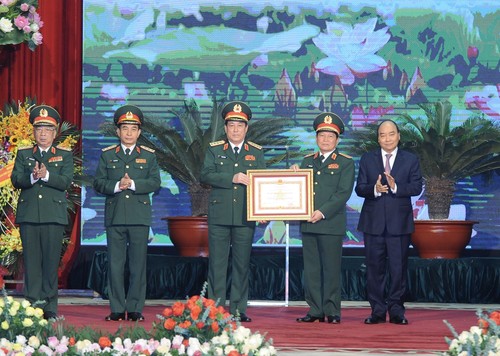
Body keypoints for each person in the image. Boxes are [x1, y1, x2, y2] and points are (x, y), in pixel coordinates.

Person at [93, 105, 161, 322]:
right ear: (118, 132)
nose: (129, 133)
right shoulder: (107, 155)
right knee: (115, 264)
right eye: (125, 128)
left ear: (139, 132)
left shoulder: (149, 156)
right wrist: (115, 185)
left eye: (133, 129)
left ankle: (134, 309)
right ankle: (115, 308)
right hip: (114, 217)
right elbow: (98, 183)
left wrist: (132, 184)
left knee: (138, 265)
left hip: (139, 218)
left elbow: (155, 182)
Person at [200, 101, 266, 322]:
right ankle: (215, 310)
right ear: (225, 128)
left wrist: (263, 209)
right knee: (217, 265)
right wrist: (231, 178)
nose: (236, 129)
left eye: (240, 125)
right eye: (232, 125)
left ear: (247, 128)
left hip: (246, 215)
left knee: (241, 264)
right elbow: (206, 175)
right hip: (219, 216)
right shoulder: (214, 149)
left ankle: (239, 309)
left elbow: (262, 183)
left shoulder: (255, 152)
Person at [355, 119, 422, 325]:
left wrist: (395, 186)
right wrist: (375, 189)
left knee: (398, 268)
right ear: (378, 138)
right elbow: (360, 188)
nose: (387, 138)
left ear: (399, 136)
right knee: (374, 269)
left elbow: (416, 188)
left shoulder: (411, 159)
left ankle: (396, 311)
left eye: (391, 134)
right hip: (373, 223)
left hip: (399, 224)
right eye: (383, 135)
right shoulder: (367, 158)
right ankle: (377, 311)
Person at [11, 105, 74, 320]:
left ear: (55, 133)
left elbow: (66, 182)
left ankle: (50, 307)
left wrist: (46, 175)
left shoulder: (63, 156)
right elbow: (16, 180)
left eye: (48, 130)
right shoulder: (24, 154)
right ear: (34, 132)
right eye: (39, 129)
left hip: (53, 216)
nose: (43, 134)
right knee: (32, 261)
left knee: (49, 263)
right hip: (29, 216)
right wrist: (32, 176)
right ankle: (31, 305)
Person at [293, 112, 355, 324]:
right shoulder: (306, 161)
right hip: (308, 224)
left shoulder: (346, 163)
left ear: (337, 140)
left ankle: (332, 310)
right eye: (322, 135)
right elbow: (298, 191)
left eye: (330, 136)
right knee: (312, 270)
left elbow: (343, 193)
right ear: (316, 138)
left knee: (330, 269)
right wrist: (293, 176)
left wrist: (322, 212)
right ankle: (315, 310)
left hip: (330, 223)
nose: (326, 140)